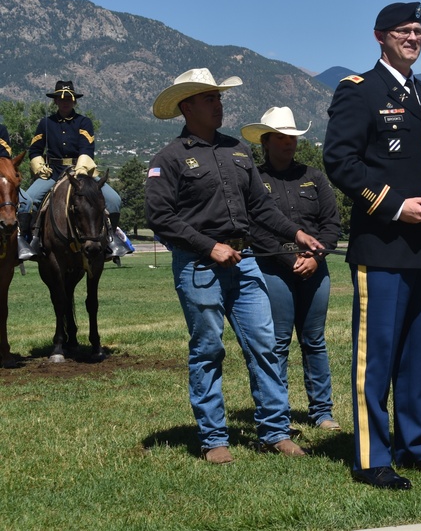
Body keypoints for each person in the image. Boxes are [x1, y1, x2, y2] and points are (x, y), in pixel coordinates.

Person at [323, 2, 421, 490]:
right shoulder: (359, 92)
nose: (413, 37)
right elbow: (340, 163)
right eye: (403, 31)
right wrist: (394, 206)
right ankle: (372, 459)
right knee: (378, 356)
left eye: (418, 30)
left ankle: (416, 445)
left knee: (418, 355)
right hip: (383, 245)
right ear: (380, 37)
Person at [145, 68, 322, 465]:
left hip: (245, 264)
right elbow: (159, 216)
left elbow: (260, 208)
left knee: (264, 346)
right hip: (199, 267)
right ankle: (213, 438)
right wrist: (210, 247)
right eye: (210, 99)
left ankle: (274, 431)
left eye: (219, 98)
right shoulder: (168, 159)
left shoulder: (238, 151)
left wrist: (296, 234)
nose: (218, 104)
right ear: (187, 106)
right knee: (208, 349)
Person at [241, 106, 343, 431]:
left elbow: (332, 224)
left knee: (314, 341)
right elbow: (254, 227)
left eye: (292, 138)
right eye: (281, 138)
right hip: (273, 269)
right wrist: (291, 259)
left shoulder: (314, 178)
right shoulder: (254, 179)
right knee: (278, 342)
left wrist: (315, 257)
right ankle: (278, 413)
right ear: (266, 142)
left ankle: (322, 412)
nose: (288, 144)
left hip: (316, 268)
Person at [19, 80, 129, 260]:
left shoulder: (84, 122)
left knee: (114, 200)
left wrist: (80, 171)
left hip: (81, 172)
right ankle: (29, 241)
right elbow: (35, 150)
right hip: (52, 173)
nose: (65, 102)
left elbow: (87, 149)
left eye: (68, 99)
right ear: (55, 101)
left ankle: (110, 240)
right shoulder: (46, 123)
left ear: (74, 101)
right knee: (29, 200)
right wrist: (39, 167)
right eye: (60, 98)